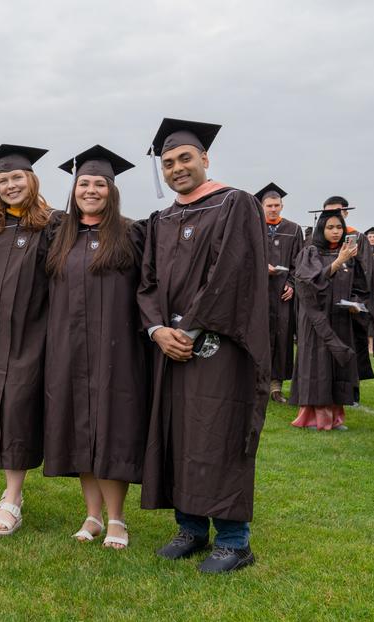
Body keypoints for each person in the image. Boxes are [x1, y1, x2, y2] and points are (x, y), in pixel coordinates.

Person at [137, 118, 269, 573]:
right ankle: (190, 530)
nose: (176, 168)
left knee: (219, 433)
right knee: (180, 433)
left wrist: (187, 331)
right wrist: (157, 330)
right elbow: (147, 282)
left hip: (219, 346)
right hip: (170, 347)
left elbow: (232, 274)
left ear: (205, 158)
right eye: (168, 162)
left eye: (185, 158)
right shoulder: (162, 219)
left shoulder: (236, 204)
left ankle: (235, 541)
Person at [43, 145, 148, 549]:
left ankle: (118, 518)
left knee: (112, 428)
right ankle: (92, 516)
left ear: (112, 190)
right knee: (80, 428)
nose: (90, 190)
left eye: (99, 184)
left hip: (116, 349)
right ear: (74, 189)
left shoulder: (131, 233)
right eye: (83, 183)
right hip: (68, 346)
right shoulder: (60, 234)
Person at [0, 144, 62, 537]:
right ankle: (10, 493)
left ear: (32, 180)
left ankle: (12, 499)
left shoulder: (53, 225)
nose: (11, 185)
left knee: (16, 408)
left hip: (31, 335)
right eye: (4, 179)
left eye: (17, 177)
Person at [289, 209, 368, 431]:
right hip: (317, 321)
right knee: (318, 365)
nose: (335, 232)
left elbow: (361, 287)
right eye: (330, 227)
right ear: (321, 229)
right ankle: (314, 417)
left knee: (337, 365)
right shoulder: (310, 252)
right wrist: (337, 262)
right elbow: (307, 284)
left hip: (341, 319)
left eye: (339, 227)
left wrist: (355, 304)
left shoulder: (351, 256)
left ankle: (335, 417)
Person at [255, 183, 304, 403]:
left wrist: (292, 283)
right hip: (258, 293)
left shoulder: (293, 229)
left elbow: (300, 261)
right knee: (260, 335)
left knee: (282, 338)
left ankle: (276, 387)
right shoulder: (253, 227)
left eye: (276, 205)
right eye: (269, 205)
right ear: (262, 205)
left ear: (282, 206)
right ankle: (257, 384)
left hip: (283, 294)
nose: (273, 209)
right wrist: (261, 266)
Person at [318, 196, 374, 382]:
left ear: (346, 213)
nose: (334, 216)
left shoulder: (358, 238)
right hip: (325, 304)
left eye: (338, 211)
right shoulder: (315, 243)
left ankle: (353, 389)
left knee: (353, 343)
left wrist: (357, 301)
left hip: (350, 302)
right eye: (328, 213)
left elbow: (364, 274)